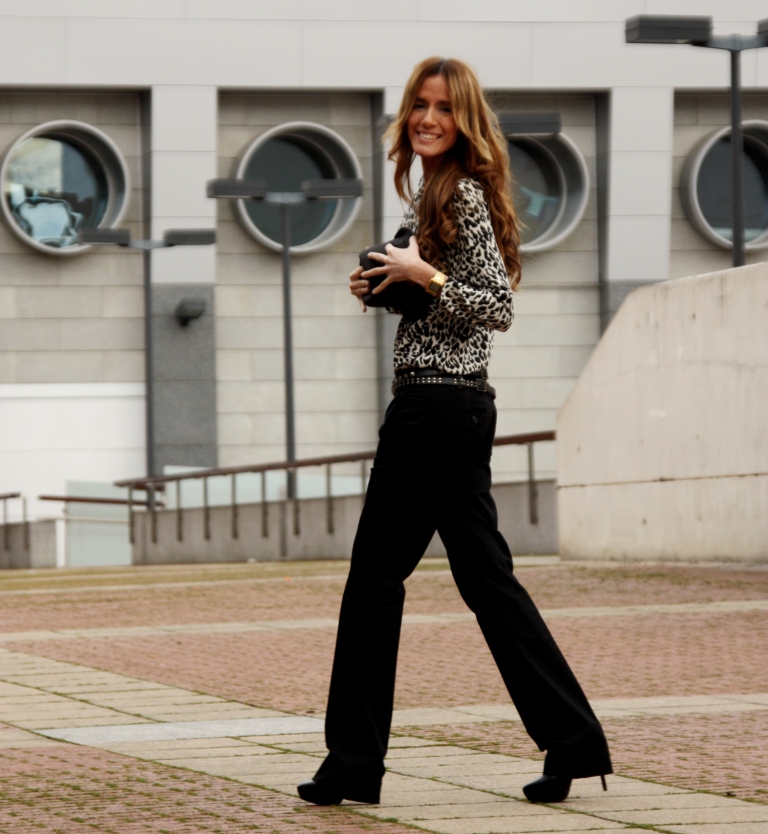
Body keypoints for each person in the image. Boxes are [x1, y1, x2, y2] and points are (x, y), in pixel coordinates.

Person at [297, 56, 612, 808]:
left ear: (464, 119)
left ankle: (354, 764)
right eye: (420, 106)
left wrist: (423, 275)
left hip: (435, 413)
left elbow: (496, 305)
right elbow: (445, 300)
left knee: (375, 581)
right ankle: (574, 742)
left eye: (443, 108)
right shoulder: (433, 193)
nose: (428, 119)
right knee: (486, 581)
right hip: (452, 410)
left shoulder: (461, 191)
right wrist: (384, 284)